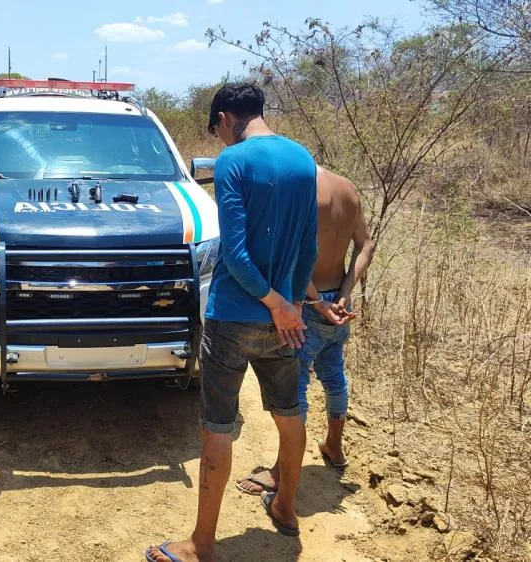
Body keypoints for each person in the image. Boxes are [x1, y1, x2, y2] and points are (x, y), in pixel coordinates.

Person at [145, 84, 318, 562]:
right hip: (285, 323)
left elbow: (236, 254)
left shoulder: (233, 162)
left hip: (233, 316)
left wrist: (272, 303)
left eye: (217, 129)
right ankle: (285, 507)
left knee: (217, 427)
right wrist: (291, 308)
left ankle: (202, 544)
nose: (221, 138)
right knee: (290, 415)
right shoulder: (303, 160)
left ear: (224, 118)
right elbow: (309, 248)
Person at [235, 165, 375, 493]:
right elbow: (366, 245)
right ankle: (334, 446)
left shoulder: (300, 192)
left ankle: (282, 472)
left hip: (308, 304)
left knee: (293, 387)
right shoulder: (347, 188)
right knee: (334, 374)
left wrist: (315, 300)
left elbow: (295, 256)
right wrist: (343, 293)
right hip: (339, 302)